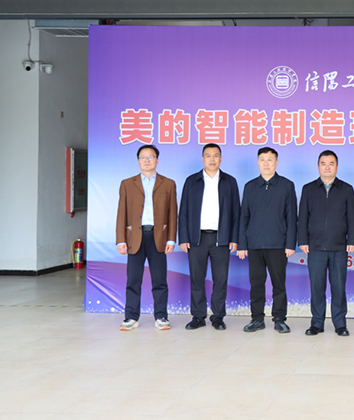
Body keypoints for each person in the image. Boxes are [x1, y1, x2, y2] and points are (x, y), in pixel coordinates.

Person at [178, 143, 240, 331]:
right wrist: (183, 237)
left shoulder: (229, 181)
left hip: (221, 238)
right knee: (197, 278)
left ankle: (218, 316)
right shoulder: (192, 181)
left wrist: (234, 238)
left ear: (221, 158)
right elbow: (184, 211)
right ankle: (198, 316)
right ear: (203, 158)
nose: (212, 159)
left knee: (220, 279)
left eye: (215, 155)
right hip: (197, 238)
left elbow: (236, 212)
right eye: (208, 155)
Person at [115, 144, 177, 331]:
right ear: (138, 161)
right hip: (134, 238)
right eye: (143, 157)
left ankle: (161, 317)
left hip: (158, 237)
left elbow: (173, 213)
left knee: (160, 280)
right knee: (133, 280)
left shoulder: (168, 183)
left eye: (151, 157)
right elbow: (121, 213)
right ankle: (131, 317)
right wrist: (121, 239)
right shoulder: (127, 183)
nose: (147, 160)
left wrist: (171, 239)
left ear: (157, 160)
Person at [237, 147, 297, 334]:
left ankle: (279, 319)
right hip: (254, 244)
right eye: (262, 159)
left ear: (276, 162)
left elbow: (291, 217)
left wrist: (290, 244)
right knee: (256, 284)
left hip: (278, 245)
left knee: (279, 284)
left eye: (270, 159)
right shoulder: (250, 187)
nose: (266, 163)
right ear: (258, 162)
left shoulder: (286, 185)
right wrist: (242, 244)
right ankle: (257, 319)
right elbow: (244, 217)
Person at [299, 150, 354, 337]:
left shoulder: (346, 189)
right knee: (316, 287)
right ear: (318, 166)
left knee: (338, 288)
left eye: (331, 163)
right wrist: (303, 240)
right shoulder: (308, 189)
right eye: (323, 163)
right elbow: (302, 217)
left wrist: (353, 240)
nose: (327, 167)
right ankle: (316, 323)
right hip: (315, 248)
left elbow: (352, 218)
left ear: (337, 167)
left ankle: (340, 324)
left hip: (339, 247)